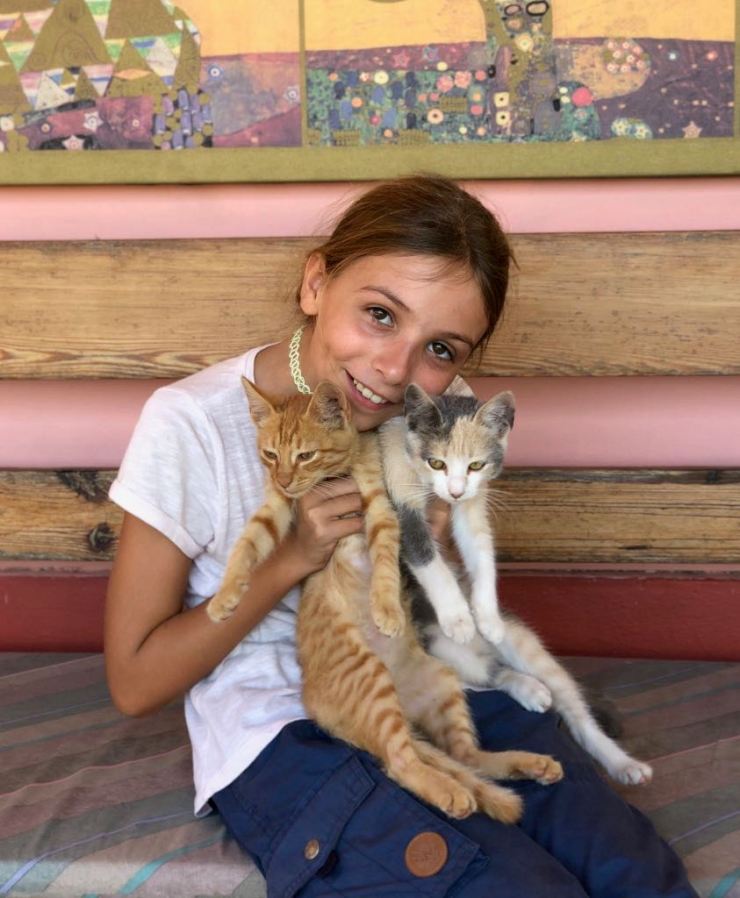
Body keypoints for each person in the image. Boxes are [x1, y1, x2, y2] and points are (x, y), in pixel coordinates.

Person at [105, 174, 698, 897]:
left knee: (633, 871)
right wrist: (291, 559)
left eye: (441, 348)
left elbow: (426, 597)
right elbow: (134, 682)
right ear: (316, 283)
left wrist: (430, 543)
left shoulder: (429, 417)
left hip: (430, 679)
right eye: (380, 315)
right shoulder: (192, 424)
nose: (395, 371)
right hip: (286, 734)